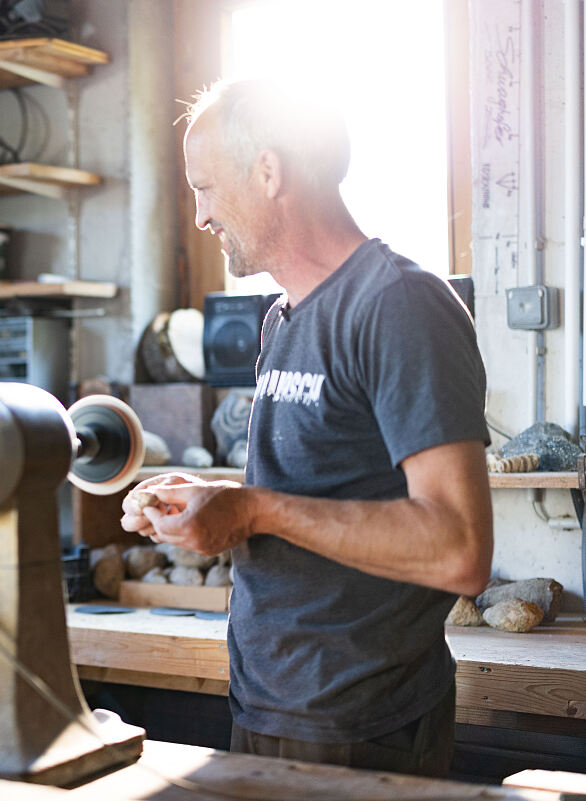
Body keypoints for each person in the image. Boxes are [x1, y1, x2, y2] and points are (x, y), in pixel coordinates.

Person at [121, 78, 492, 777]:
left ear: (269, 171)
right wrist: (219, 498)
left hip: (360, 723)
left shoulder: (401, 306)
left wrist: (254, 507)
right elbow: (315, 490)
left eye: (204, 186)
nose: (199, 216)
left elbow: (461, 548)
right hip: (267, 706)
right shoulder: (281, 317)